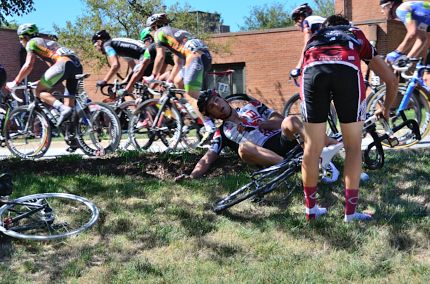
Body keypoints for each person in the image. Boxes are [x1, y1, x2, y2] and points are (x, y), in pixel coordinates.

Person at [299, 14, 398, 222]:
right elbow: (390, 79)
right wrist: (386, 108)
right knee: (353, 147)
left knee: (312, 147)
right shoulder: (354, 33)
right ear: (346, 26)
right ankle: (350, 213)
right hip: (347, 70)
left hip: (312, 71)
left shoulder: (315, 38)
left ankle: (311, 210)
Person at [178, 90, 338, 180]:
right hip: (266, 154)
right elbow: (207, 158)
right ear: (212, 115)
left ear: (223, 99)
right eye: (212, 106)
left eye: (216, 100)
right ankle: (288, 167)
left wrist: (263, 123)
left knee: (291, 120)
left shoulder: (251, 107)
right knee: (243, 148)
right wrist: (192, 176)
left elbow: (279, 119)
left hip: (281, 139)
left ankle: (329, 148)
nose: (217, 105)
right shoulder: (221, 133)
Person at [143, 13, 215, 146]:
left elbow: (160, 57)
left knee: (190, 93)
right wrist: (169, 82)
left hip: (195, 57)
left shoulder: (159, 32)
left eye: (150, 30)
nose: (152, 34)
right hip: (203, 56)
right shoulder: (174, 33)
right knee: (178, 81)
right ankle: (196, 109)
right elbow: (178, 64)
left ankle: (210, 127)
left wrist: (153, 76)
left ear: (154, 26)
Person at [6, 23, 82, 126]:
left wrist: (15, 82)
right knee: (69, 106)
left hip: (63, 64)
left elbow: (28, 65)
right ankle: (73, 135)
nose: (21, 42)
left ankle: (61, 108)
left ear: (25, 36)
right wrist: (39, 81)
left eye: (20, 38)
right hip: (76, 66)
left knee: (38, 91)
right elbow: (54, 68)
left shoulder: (31, 43)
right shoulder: (47, 43)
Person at [92, 30, 149, 96]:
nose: (97, 50)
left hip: (145, 55)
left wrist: (104, 81)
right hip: (148, 54)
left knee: (127, 89)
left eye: (95, 46)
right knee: (135, 87)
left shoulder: (107, 44)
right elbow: (133, 68)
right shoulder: (121, 49)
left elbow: (115, 65)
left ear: (99, 41)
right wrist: (123, 82)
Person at [380, 1, 430, 68]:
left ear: (390, 4)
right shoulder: (417, 15)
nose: (381, 11)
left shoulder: (401, 9)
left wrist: (397, 52)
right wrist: (407, 59)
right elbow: (422, 39)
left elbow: (412, 33)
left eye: (382, 8)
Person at [290, 3, 326, 78]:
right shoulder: (323, 19)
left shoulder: (307, 21)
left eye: (296, 21)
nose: (295, 25)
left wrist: (298, 67)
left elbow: (307, 45)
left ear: (300, 18)